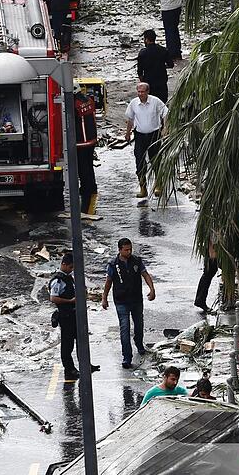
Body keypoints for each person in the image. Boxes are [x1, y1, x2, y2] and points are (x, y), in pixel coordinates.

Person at [101, 239, 156, 369]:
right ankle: (127, 357)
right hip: (121, 301)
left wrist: (152, 289)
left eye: (130, 249)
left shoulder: (137, 261)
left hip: (136, 299)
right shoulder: (113, 265)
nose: (129, 252)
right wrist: (104, 298)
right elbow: (108, 282)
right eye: (126, 250)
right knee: (124, 328)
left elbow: (145, 275)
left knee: (139, 324)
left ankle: (139, 343)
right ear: (120, 250)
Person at [50, 252, 99, 380]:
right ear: (64, 264)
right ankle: (69, 369)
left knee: (81, 341)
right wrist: (70, 301)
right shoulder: (58, 280)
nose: (72, 270)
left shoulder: (69, 278)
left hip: (75, 314)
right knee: (67, 344)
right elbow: (53, 298)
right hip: (65, 316)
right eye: (71, 267)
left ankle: (85, 365)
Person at [123, 82, 168, 198]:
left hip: (154, 135)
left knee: (156, 160)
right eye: (139, 92)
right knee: (140, 163)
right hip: (140, 136)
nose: (140, 94)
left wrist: (165, 128)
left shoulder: (156, 101)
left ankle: (159, 184)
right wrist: (127, 133)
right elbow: (130, 119)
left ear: (147, 92)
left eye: (143, 92)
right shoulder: (134, 103)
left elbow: (165, 113)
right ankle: (143, 187)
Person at [74, 87, 97, 216]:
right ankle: (92, 190)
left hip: (80, 143)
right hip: (91, 140)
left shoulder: (74, 104)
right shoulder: (88, 100)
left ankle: (86, 198)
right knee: (89, 167)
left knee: (83, 171)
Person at [136, 29, 173, 103]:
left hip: (149, 83)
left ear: (146, 39)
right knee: (162, 103)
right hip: (161, 82)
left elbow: (140, 72)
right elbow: (171, 65)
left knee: (150, 104)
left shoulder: (143, 53)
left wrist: (143, 82)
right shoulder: (163, 50)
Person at [194, 238, 219, 313]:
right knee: (208, 274)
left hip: (214, 251)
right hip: (213, 252)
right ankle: (200, 300)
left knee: (208, 274)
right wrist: (212, 254)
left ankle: (200, 300)